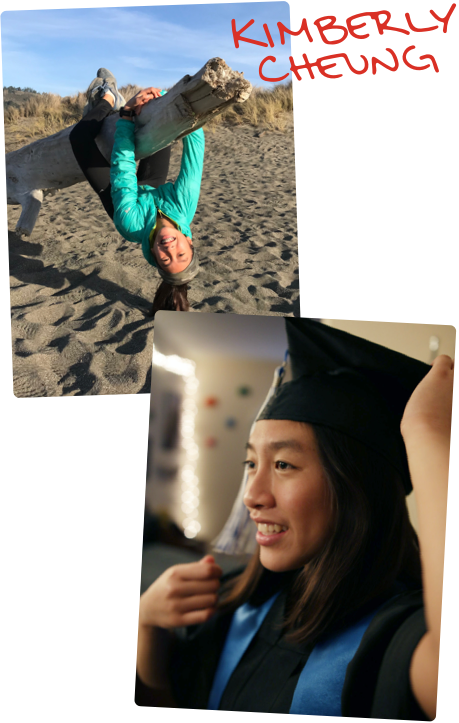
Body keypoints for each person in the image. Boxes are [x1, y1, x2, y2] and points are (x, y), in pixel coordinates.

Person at [136, 319, 451, 717]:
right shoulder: (232, 603)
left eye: (283, 464)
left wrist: (427, 434)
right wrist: (147, 625)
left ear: (356, 488)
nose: (251, 495)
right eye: (251, 463)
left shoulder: (393, 638)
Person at [69, 68, 205, 318]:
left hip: (121, 197)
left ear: (153, 256)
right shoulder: (184, 207)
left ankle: (107, 97)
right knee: (158, 127)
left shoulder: (130, 224)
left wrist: (127, 115)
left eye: (165, 259)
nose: (169, 248)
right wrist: (165, 98)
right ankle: (130, 105)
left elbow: (123, 165)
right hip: (151, 186)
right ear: (189, 241)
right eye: (181, 253)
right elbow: (194, 147)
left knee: (79, 137)